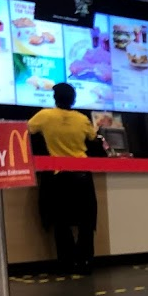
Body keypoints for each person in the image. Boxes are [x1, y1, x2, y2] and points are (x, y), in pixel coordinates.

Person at [28, 82, 97, 274]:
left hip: (59, 176)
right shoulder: (82, 119)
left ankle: (66, 263)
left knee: (61, 221)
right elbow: (93, 137)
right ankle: (85, 262)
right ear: (74, 99)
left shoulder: (45, 116)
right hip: (82, 175)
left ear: (54, 98)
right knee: (86, 221)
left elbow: (25, 130)